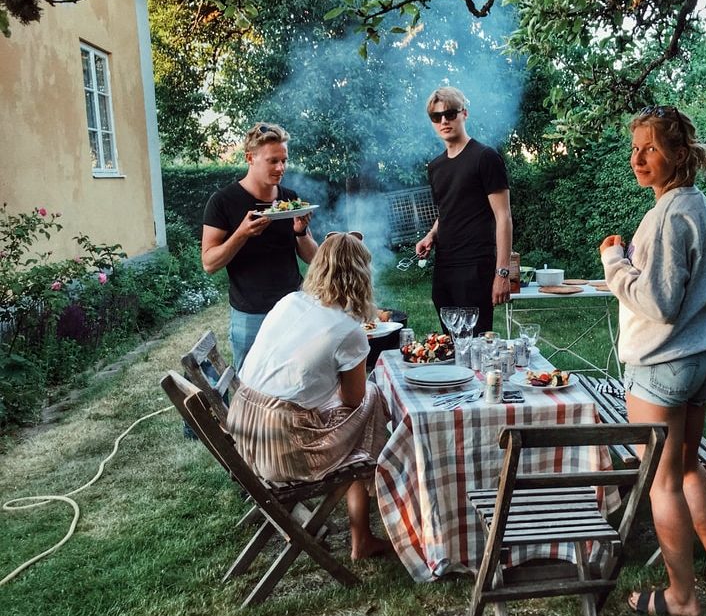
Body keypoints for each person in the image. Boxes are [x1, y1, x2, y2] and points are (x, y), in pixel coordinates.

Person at [599, 106, 706, 615]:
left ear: (680, 155)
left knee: (662, 482)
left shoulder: (665, 217)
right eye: (635, 148)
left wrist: (615, 264)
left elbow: (658, 303)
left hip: (663, 365)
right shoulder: (701, 209)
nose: (638, 157)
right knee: (688, 469)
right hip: (702, 360)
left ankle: (681, 598)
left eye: (650, 148)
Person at [226, 231, 391, 560]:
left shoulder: (290, 301)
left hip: (242, 433)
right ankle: (369, 522)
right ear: (361, 276)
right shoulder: (349, 330)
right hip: (281, 449)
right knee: (372, 400)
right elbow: (354, 401)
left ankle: (363, 530)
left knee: (356, 416)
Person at [201, 122, 317, 370]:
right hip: (249, 314)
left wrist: (301, 232)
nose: (280, 168)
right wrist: (241, 234)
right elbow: (209, 263)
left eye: (284, 160)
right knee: (249, 388)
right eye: (272, 161)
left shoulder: (290, 198)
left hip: (292, 309)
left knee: (296, 380)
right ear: (250, 158)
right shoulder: (223, 201)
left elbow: (313, 258)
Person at [414, 86, 513, 334]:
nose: (444, 121)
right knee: (449, 345)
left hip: (476, 267)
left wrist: (502, 273)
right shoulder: (435, 166)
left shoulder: (485, 157)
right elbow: (447, 210)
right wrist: (431, 235)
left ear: (464, 114)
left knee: (476, 345)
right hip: (444, 266)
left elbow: (504, 217)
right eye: (437, 117)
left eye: (450, 113)